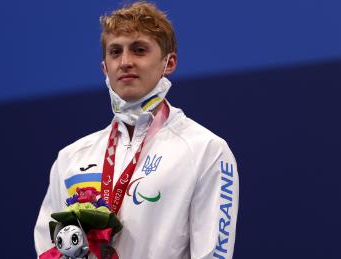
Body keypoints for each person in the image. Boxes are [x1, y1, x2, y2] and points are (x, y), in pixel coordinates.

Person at [34, 2, 239, 259]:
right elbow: (48, 248)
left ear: (169, 62)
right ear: (104, 68)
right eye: (115, 52)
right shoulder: (71, 159)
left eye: (139, 50)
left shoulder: (206, 150)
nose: (126, 62)